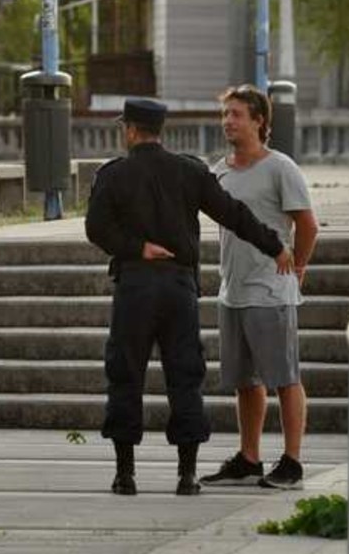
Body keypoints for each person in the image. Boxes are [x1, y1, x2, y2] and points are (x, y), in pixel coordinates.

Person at [85, 97, 294, 496]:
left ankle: (125, 474)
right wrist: (274, 246)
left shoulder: (114, 174)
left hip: (135, 287)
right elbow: (233, 214)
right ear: (159, 130)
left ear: (131, 130)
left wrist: (137, 248)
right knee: (185, 375)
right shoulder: (190, 171)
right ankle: (187, 475)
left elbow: (96, 228)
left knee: (125, 375)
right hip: (179, 288)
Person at [200, 85, 319, 490]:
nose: (227, 122)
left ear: (259, 121)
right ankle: (249, 458)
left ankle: (292, 462)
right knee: (245, 382)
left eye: (236, 114)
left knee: (284, 377)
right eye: (225, 114)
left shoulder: (280, 168)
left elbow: (307, 225)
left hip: (270, 290)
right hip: (232, 290)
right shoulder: (219, 171)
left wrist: (298, 267)